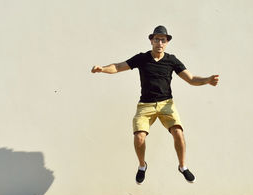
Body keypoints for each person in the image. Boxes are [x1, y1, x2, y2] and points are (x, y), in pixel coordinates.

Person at [91, 25, 219, 184]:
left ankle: (182, 166)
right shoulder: (142, 58)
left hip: (166, 104)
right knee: (139, 137)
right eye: (157, 39)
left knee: (178, 132)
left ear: (167, 42)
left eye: (163, 40)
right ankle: (142, 166)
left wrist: (207, 80)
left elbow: (191, 79)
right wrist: (102, 69)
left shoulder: (172, 60)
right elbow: (118, 66)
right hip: (145, 105)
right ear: (151, 40)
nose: (159, 43)